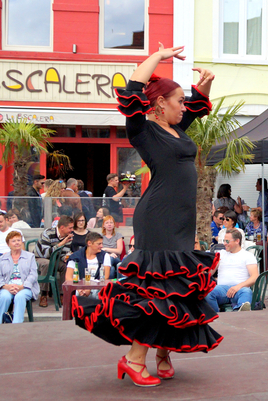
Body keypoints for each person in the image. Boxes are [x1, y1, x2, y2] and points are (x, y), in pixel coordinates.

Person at [71, 44, 221, 387]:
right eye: (178, 101)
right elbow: (131, 90)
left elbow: (199, 104)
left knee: (177, 289)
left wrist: (206, 81)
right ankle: (133, 359)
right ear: (159, 104)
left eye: (184, 101)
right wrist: (159, 56)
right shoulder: (143, 129)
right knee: (158, 288)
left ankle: (162, 351)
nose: (184, 107)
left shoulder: (177, 129)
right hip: (158, 217)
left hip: (181, 219)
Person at [206, 230, 258, 312]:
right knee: (208, 292)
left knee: (247, 292)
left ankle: (240, 312)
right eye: (224, 241)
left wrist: (238, 286)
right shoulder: (221, 254)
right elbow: (209, 272)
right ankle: (216, 317)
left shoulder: (247, 255)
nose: (224, 244)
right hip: (222, 289)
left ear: (237, 241)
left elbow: (254, 277)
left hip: (240, 289)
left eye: (227, 241)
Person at [34, 215, 73, 307]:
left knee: (66, 265)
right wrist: (61, 244)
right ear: (62, 227)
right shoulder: (47, 233)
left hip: (55, 259)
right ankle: (44, 295)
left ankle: (62, 294)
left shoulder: (68, 236)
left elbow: (64, 253)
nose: (72, 230)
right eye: (70, 228)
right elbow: (45, 254)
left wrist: (65, 258)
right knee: (47, 264)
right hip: (40, 258)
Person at [0, 231, 39, 324]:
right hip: (7, 287)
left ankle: (16, 325)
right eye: (13, 241)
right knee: (4, 296)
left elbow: (33, 274)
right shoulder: (2, 258)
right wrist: (6, 286)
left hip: (25, 287)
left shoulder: (30, 257)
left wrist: (22, 286)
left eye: (19, 240)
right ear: (8, 244)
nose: (17, 243)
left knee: (19, 296)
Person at [66, 232, 111, 298]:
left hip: (97, 287)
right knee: (77, 294)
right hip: (79, 287)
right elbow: (68, 277)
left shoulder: (105, 256)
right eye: (99, 244)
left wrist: (89, 287)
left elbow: (106, 277)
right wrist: (79, 288)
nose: (102, 246)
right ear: (89, 243)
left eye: (102, 243)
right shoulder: (75, 257)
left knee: (97, 294)